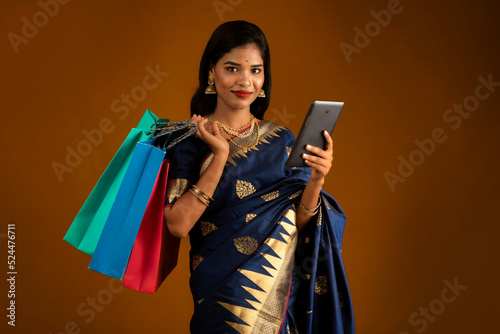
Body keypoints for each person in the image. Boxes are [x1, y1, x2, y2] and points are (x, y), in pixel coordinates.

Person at [162, 20, 354, 334]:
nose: (245, 81)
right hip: (218, 298)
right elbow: (178, 225)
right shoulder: (189, 140)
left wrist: (318, 178)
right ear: (212, 71)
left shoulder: (282, 141)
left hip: (274, 299)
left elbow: (303, 226)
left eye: (255, 70)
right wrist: (219, 156)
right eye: (232, 68)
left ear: (264, 77)